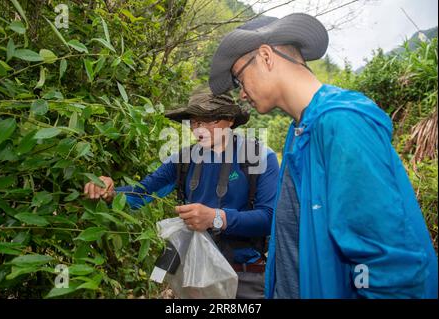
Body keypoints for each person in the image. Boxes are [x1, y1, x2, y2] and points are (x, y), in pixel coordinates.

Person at [208, 13, 438, 299]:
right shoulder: (300, 131)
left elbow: (387, 264)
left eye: (239, 79)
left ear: (266, 57)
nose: (242, 94)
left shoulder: (341, 124)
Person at [83, 91, 280, 299]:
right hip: (196, 273)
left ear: (230, 120)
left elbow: (269, 218)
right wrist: (109, 191)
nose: (200, 130)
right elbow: (142, 193)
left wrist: (216, 217)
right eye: (194, 122)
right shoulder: (184, 160)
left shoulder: (259, 158)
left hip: (244, 277)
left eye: (210, 120)